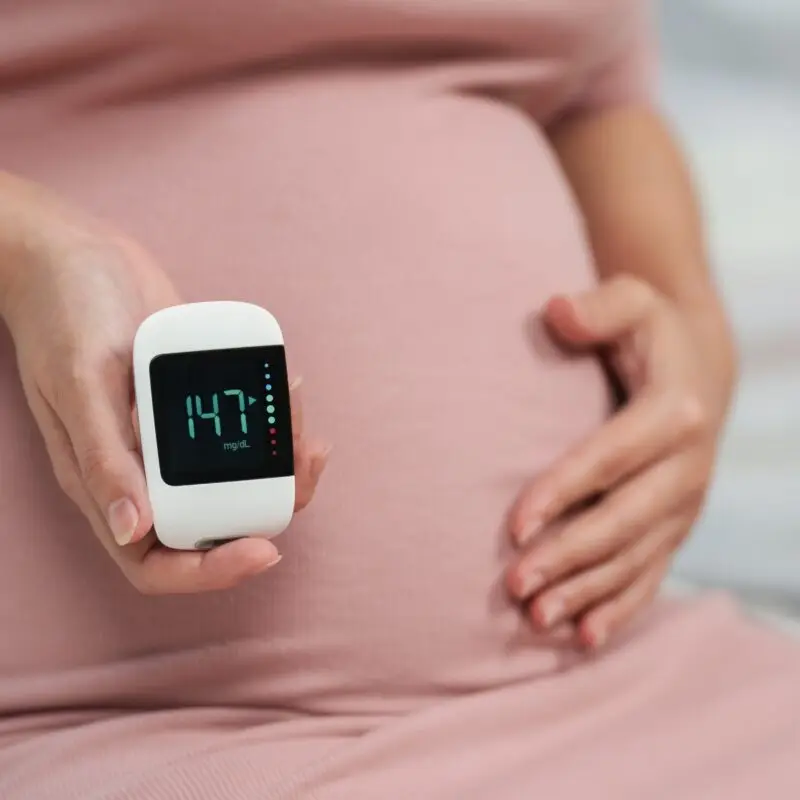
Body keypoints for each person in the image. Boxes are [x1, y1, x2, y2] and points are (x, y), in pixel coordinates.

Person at [0, 1, 798, 797]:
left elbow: (597, 91)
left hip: (623, 683)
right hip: (99, 725)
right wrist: (29, 248)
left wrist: (690, 319)